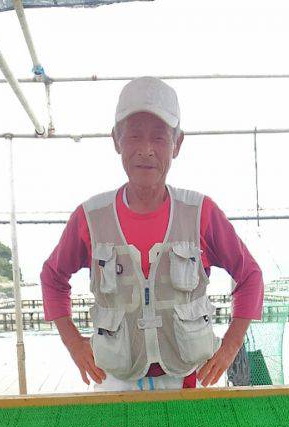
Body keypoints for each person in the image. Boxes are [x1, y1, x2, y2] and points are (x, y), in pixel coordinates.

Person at [40, 76, 264, 391]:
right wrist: (74, 343)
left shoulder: (201, 212)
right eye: (133, 136)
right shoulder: (89, 217)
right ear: (116, 139)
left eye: (159, 137)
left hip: (187, 377)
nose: (146, 150)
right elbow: (52, 277)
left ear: (178, 144)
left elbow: (250, 275)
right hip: (115, 379)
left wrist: (229, 347)